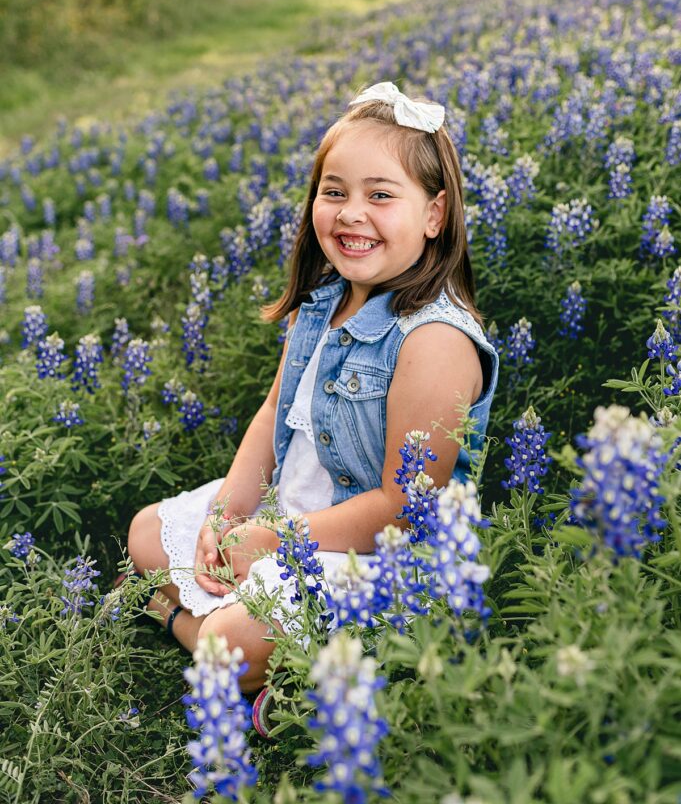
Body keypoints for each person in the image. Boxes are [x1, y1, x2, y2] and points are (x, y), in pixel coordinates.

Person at [125, 80, 499, 695]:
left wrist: (271, 541)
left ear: (434, 214)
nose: (352, 213)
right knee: (145, 531)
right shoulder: (319, 306)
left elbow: (403, 510)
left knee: (233, 646)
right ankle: (264, 647)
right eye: (334, 192)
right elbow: (273, 414)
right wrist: (226, 517)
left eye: (381, 195)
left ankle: (181, 621)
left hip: (377, 556)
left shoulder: (434, 342)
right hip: (290, 513)